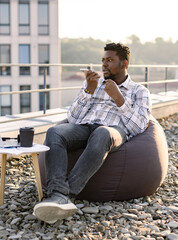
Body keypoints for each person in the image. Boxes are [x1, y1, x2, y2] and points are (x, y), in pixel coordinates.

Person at [33, 43, 151, 223]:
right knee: (54, 132)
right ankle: (58, 195)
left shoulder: (139, 91)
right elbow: (72, 118)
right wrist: (89, 90)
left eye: (110, 60)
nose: (104, 64)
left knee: (102, 133)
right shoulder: (93, 84)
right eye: (103, 60)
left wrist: (119, 99)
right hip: (85, 127)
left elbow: (140, 126)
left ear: (124, 64)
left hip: (113, 131)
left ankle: (64, 194)